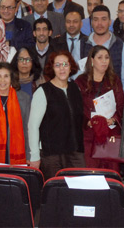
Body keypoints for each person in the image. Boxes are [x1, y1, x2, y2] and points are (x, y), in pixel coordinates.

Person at [27, 51, 85, 179]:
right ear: (52, 68)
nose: (62, 68)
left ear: (71, 67)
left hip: (75, 152)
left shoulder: (76, 89)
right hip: (51, 155)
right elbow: (33, 126)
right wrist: (35, 156)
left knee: (78, 189)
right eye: (57, 65)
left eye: (65, 64)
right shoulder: (43, 91)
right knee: (55, 189)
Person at [75, 45, 124, 171]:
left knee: (111, 173)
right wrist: (87, 122)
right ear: (92, 60)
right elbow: (76, 109)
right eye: (100, 57)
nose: (104, 61)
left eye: (107, 58)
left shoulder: (114, 80)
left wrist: (113, 120)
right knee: (90, 174)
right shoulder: (81, 81)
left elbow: (121, 105)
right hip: (89, 135)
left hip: (110, 134)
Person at [82, 5, 124, 96]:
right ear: (91, 22)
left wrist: (123, 102)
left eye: (104, 19)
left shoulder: (122, 46)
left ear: (110, 22)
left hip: (114, 99)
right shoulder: (81, 45)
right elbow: (77, 76)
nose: (99, 23)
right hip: (87, 99)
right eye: (95, 19)